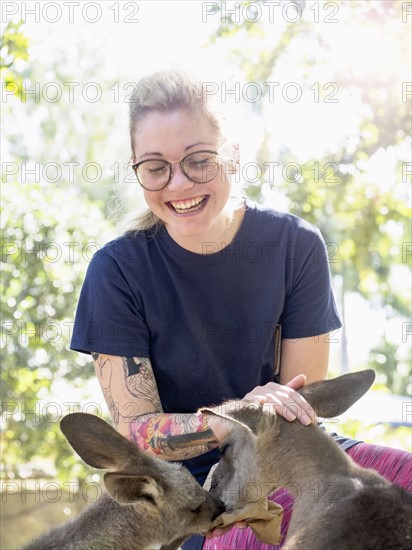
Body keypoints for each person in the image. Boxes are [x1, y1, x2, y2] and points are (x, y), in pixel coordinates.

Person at [70, 70, 410, 550]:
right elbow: (139, 434)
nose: (178, 183)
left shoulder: (296, 246)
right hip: (193, 495)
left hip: (290, 458)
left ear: (232, 155)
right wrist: (236, 416)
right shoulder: (117, 270)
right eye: (155, 167)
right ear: (136, 169)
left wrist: (267, 417)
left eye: (199, 161)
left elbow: (300, 403)